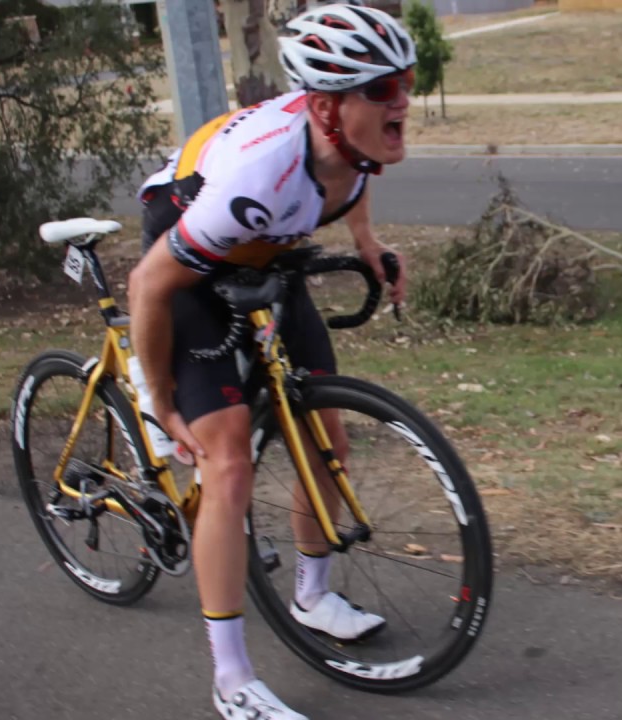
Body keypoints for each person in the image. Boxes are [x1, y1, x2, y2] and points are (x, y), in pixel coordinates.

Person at [126, 4, 416, 718]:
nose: (402, 98)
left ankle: (313, 595)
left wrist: (368, 240)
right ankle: (231, 682)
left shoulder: (350, 139)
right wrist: (161, 399)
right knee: (227, 461)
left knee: (326, 435)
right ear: (325, 107)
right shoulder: (258, 181)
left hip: (267, 251)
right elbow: (150, 283)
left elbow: (356, 170)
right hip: (191, 254)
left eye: (405, 80)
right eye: (380, 90)